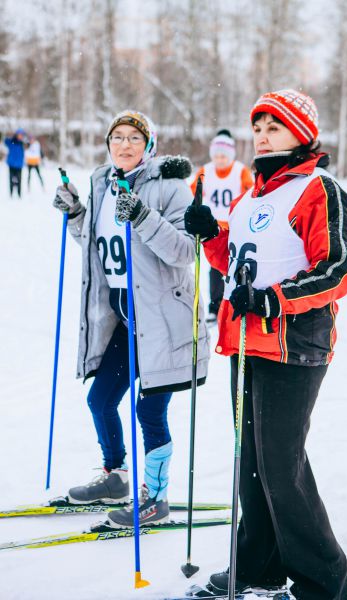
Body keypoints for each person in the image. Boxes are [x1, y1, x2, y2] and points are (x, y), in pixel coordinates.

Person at [184, 89, 347, 600]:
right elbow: (240, 263)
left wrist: (274, 300)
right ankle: (257, 569)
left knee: (282, 465)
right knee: (252, 466)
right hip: (245, 341)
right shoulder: (253, 194)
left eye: (273, 127)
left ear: (301, 134)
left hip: (293, 344)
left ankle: (323, 585)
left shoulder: (318, 189)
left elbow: (338, 269)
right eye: (257, 127)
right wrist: (210, 233)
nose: (261, 136)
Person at [52, 110, 210, 527]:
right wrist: (76, 214)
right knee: (100, 399)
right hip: (124, 313)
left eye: (134, 138)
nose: (124, 145)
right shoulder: (102, 182)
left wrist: (141, 215)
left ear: (150, 145)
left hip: (164, 317)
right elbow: (99, 242)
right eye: (117, 137)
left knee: (149, 413)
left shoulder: (171, 186)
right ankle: (116, 476)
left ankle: (156, 499)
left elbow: (184, 251)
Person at [191, 130, 253, 324]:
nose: (220, 159)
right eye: (216, 155)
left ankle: (238, 301)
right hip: (214, 228)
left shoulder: (240, 171)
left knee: (235, 265)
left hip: (235, 226)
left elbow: (251, 192)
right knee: (215, 269)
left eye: (224, 156)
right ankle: (215, 306)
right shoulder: (205, 171)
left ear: (231, 155)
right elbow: (192, 192)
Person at [4, 128, 26, 198]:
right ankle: (11, 194)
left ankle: (19, 194)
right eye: (19, 135)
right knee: (11, 179)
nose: (20, 136)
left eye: (22, 135)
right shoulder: (12, 142)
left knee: (19, 180)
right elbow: (5, 141)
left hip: (19, 165)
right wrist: (10, 136)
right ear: (16, 135)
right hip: (12, 164)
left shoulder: (22, 143)